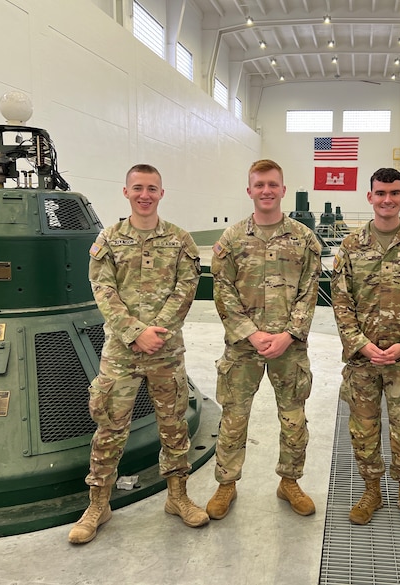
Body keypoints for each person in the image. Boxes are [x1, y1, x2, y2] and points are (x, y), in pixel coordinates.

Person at [68, 164, 208, 544]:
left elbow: (186, 289)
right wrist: (135, 333)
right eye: (138, 188)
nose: (145, 194)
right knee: (110, 427)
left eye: (152, 188)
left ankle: (177, 497)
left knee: (174, 424)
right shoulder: (109, 239)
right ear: (126, 192)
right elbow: (102, 289)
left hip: (165, 349)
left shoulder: (180, 240)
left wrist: (156, 332)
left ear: (162, 193)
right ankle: (98, 504)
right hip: (121, 352)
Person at [206, 159, 322, 520]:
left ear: (283, 189)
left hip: (290, 348)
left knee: (293, 418)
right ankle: (226, 484)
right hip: (244, 348)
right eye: (260, 185)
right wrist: (252, 333)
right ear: (250, 190)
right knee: (234, 417)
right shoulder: (233, 238)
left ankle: (289, 482)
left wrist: (288, 334)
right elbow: (222, 290)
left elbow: (309, 291)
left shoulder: (304, 239)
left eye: (273, 184)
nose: (267, 190)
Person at [331, 167, 400, 531]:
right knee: (363, 429)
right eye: (380, 193)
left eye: (394, 193)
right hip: (362, 361)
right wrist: (360, 344)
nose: (387, 200)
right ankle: (371, 491)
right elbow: (341, 301)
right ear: (370, 197)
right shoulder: (350, 246)